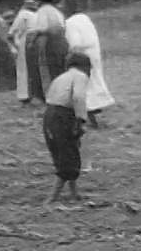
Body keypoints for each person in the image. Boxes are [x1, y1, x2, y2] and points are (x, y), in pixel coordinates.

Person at [60, 0, 115, 129]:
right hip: (94, 54)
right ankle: (95, 110)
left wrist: (68, 55)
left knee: (83, 85)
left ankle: (87, 115)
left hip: (82, 57)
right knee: (95, 81)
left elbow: (75, 43)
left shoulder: (71, 23)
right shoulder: (85, 18)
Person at [43, 52, 91, 204]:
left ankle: (74, 192)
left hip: (49, 114)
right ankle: (52, 198)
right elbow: (78, 97)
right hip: (64, 115)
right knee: (69, 153)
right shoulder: (80, 76)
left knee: (61, 151)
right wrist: (81, 119)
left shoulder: (61, 77)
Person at [26, 0, 69, 103]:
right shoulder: (56, 11)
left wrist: (32, 40)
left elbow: (42, 27)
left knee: (47, 68)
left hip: (48, 41)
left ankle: (50, 95)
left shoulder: (42, 11)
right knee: (60, 67)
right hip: (61, 40)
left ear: (40, 1)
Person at [8, 0, 39, 104]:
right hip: (37, 40)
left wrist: (14, 44)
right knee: (34, 68)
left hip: (25, 40)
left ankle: (24, 95)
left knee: (23, 68)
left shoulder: (23, 14)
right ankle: (36, 94)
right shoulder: (37, 15)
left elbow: (12, 32)